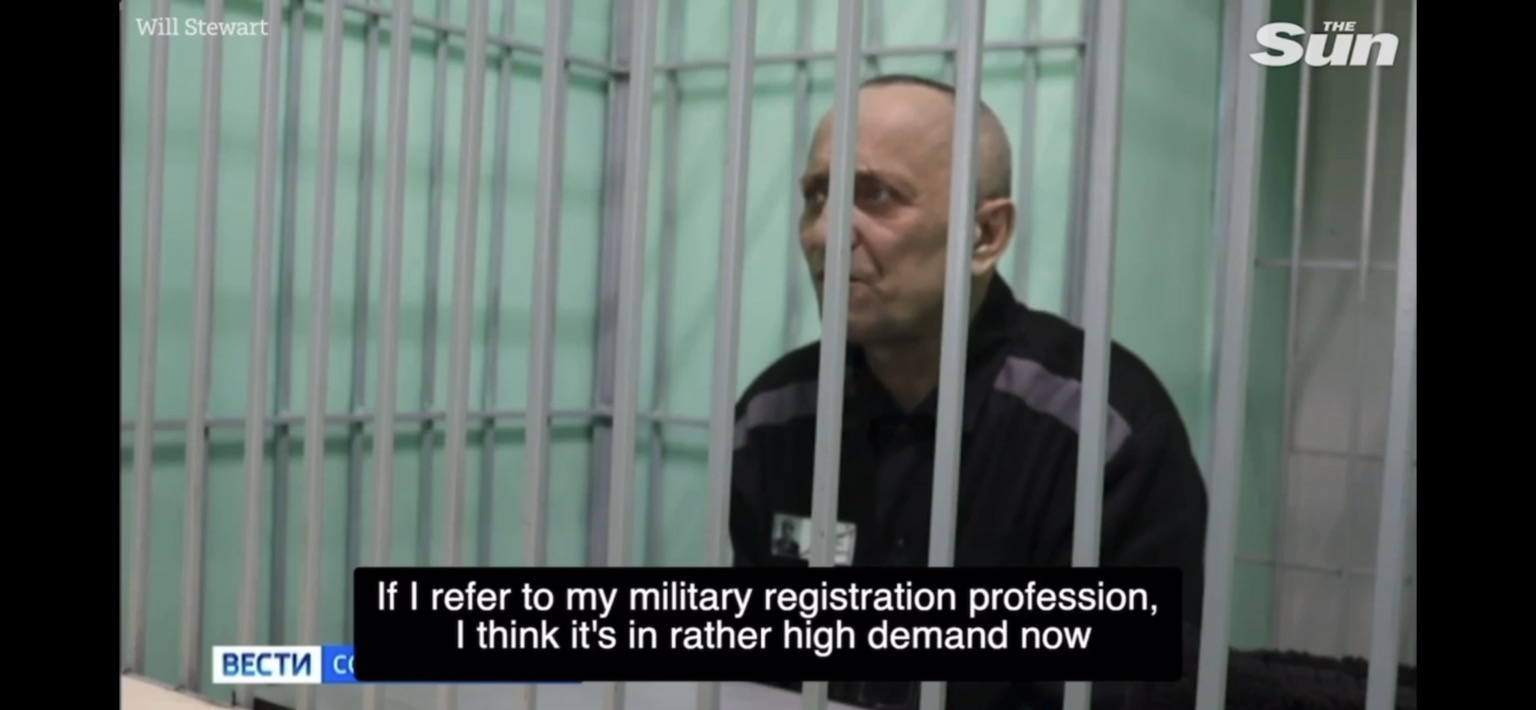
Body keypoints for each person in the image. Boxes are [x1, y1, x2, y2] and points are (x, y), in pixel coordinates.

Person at [728, 74, 1210, 709]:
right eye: (817, 195)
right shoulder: (774, 417)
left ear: (985, 235)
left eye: (876, 194)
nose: (823, 233)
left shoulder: (1103, 434)